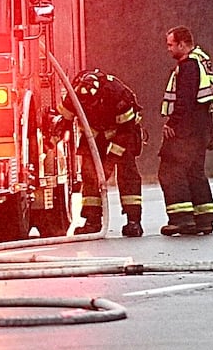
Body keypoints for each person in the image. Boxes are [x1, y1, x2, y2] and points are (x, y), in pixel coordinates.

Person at [54, 68, 147, 237]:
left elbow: (125, 132)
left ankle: (134, 221)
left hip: (121, 133)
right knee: (89, 175)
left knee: (127, 173)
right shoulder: (74, 96)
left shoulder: (118, 96)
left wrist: (109, 163)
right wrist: (53, 140)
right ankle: (92, 221)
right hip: (94, 136)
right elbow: (65, 121)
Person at [157, 26, 213, 236]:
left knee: (170, 171)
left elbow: (184, 100)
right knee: (194, 172)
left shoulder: (188, 65)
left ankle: (181, 219)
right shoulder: (201, 60)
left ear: (182, 44)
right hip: (200, 128)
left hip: (185, 130)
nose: (169, 49)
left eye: (171, 45)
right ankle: (204, 218)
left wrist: (172, 123)